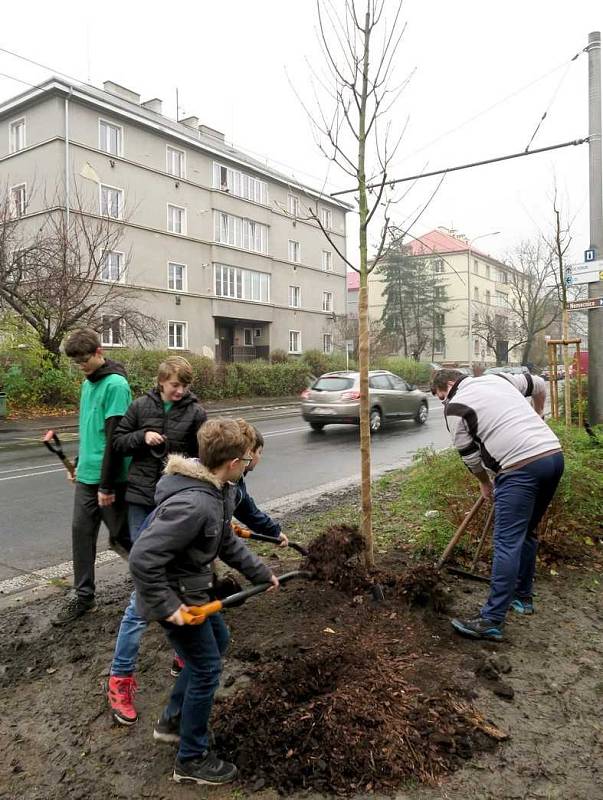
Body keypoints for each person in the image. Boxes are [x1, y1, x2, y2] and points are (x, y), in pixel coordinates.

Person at [129, 418, 279, 786]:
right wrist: (168, 607)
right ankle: (191, 759)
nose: (248, 466)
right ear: (231, 463)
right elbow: (143, 558)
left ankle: (175, 720)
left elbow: (225, 542)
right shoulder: (194, 503)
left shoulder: (221, 491)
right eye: (246, 460)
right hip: (176, 599)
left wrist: (261, 573)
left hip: (195, 590)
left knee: (220, 643)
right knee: (207, 668)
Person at [106, 356, 207, 725]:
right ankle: (120, 677)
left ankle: (183, 653)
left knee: (179, 579)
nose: (178, 391)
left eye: (183, 385)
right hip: (141, 501)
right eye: (173, 384)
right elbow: (117, 442)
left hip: (175, 504)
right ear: (161, 380)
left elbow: (203, 456)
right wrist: (141, 437)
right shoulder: (140, 405)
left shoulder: (196, 412)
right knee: (144, 591)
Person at [431, 368, 564, 642]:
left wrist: (484, 483)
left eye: (442, 396)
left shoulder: (455, 408)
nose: (443, 403)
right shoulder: (498, 378)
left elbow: (469, 456)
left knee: (507, 542)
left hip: (520, 469)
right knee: (526, 532)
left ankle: (491, 619)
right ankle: (522, 597)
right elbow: (539, 384)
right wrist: (539, 414)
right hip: (552, 456)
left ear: (451, 384)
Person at [52, 329, 132, 626]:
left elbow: (115, 438)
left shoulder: (116, 384)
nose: (81, 366)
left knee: (122, 538)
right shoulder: (88, 383)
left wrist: (107, 484)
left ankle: (158, 584)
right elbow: (91, 431)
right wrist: (78, 461)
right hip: (87, 476)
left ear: (99, 351)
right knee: (80, 533)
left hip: (110, 479)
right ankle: (83, 595)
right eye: (76, 362)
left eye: (85, 360)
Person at [233, 422, 289, 547]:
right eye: (259, 452)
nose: (259, 457)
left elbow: (247, 510)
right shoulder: (229, 483)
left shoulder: (235, 481)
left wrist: (274, 531)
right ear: (248, 453)